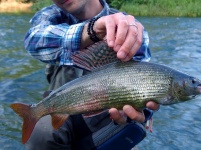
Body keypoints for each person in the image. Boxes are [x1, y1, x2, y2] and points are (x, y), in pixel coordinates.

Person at [24, 0, 159, 149]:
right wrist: (90, 31)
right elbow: (33, 40)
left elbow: (145, 84)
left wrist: (143, 111)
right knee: (41, 134)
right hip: (61, 113)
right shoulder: (51, 16)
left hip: (107, 120)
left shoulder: (130, 28)